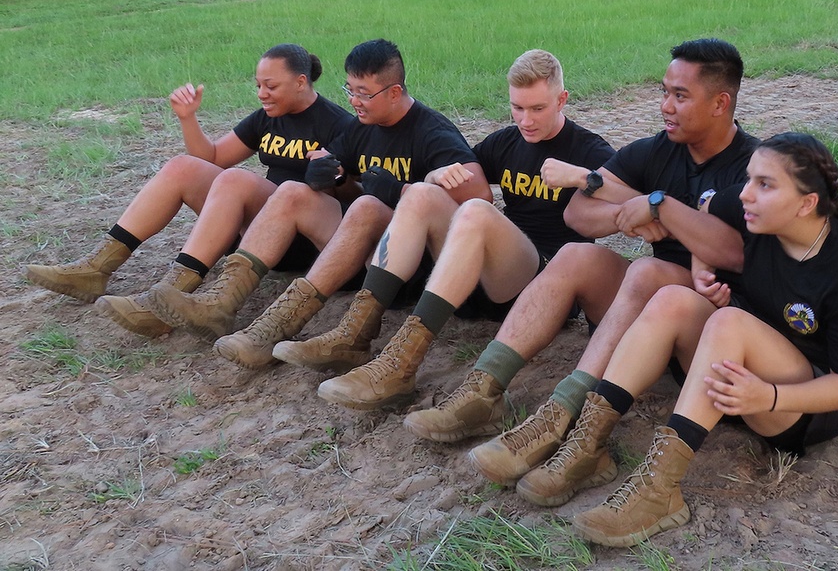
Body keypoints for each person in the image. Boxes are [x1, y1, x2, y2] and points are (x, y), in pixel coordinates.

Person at [403, 38, 757, 486]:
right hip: (642, 318)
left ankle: (564, 419)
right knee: (575, 255)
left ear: (721, 102)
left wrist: (660, 206)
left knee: (650, 272)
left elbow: (735, 253)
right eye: (664, 91)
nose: (665, 105)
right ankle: (483, 391)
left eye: (680, 96)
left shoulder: (752, 166)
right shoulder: (657, 150)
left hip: (706, 331)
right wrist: (625, 213)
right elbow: (577, 212)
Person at [533, 132, 838, 547]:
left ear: (806, 203)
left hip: (794, 404)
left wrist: (769, 397)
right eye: (748, 179)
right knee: (673, 297)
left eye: (765, 184)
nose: (745, 194)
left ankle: (659, 492)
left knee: (730, 322)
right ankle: (588, 445)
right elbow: (705, 212)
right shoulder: (747, 209)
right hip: (730, 378)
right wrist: (700, 269)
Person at [284, 49, 616, 410]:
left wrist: (585, 177)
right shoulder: (505, 141)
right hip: (487, 283)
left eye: (537, 109)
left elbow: (629, 201)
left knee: (475, 210)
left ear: (562, 100)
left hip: (544, 281)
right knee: (425, 193)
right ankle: (360, 334)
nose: (526, 120)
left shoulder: (588, 148)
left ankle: (403, 361)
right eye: (517, 108)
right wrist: (431, 176)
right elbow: (462, 179)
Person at [147, 38, 492, 366]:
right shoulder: (362, 127)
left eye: (364, 93)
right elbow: (339, 174)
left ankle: (332, 330)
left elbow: (481, 197)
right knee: (294, 191)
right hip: (362, 249)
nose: (354, 101)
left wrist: (404, 189)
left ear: (395, 92)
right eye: (350, 90)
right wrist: (331, 178)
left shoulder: (433, 132)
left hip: (413, 265)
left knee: (368, 206)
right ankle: (232, 310)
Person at [25, 43, 353, 338]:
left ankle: (166, 300)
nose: (261, 94)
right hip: (255, 232)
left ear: (300, 82)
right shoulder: (266, 118)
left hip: (298, 239)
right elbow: (211, 158)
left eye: (271, 86)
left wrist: (332, 177)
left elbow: (353, 199)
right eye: (258, 86)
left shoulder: (338, 124)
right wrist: (188, 118)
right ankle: (96, 268)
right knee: (182, 166)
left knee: (234, 179)